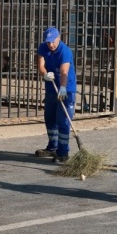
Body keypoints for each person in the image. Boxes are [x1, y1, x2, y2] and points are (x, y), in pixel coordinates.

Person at [36, 27, 77, 162]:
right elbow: (41, 66)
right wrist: (45, 74)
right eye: (48, 42)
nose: (51, 45)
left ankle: (63, 152)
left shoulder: (65, 51)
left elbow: (64, 70)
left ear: (59, 38)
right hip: (51, 87)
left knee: (63, 120)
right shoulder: (43, 48)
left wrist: (63, 87)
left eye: (53, 41)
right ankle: (52, 147)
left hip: (66, 88)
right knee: (50, 117)